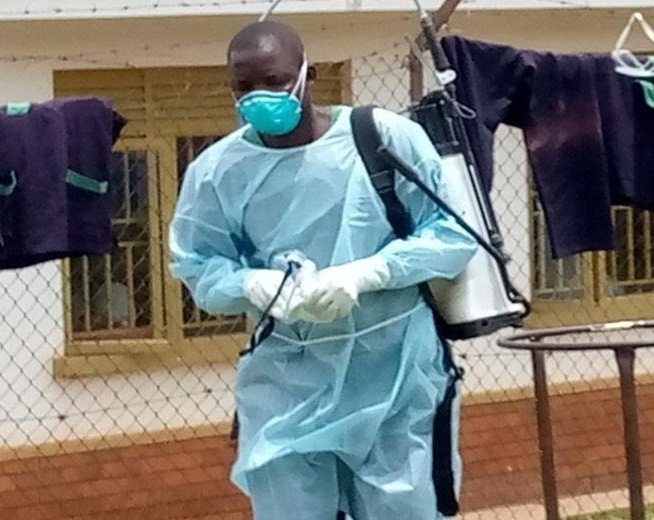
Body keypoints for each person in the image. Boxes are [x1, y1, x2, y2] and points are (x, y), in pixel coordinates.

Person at [169, 19, 478, 520]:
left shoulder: (383, 139)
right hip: (287, 378)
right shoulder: (217, 171)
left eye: (273, 81)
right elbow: (197, 264)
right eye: (243, 87)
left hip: (397, 371)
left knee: (406, 508)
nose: (258, 97)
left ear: (306, 75)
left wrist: (367, 274)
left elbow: (452, 233)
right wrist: (255, 283)